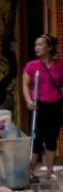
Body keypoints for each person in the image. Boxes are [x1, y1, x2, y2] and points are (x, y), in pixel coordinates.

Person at [23, 34, 63, 179]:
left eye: (40, 44)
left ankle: (49, 170)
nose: (37, 48)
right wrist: (28, 101)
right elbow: (25, 85)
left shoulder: (60, 65)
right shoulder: (32, 66)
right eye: (36, 45)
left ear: (49, 47)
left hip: (55, 105)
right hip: (38, 106)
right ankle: (30, 170)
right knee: (36, 138)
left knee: (51, 138)